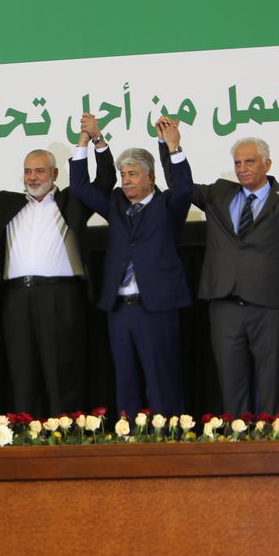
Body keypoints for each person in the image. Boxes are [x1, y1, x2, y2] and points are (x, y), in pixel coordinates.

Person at [166, 136, 279, 416]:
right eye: (237, 163)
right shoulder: (219, 193)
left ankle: (271, 450)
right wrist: (172, 148)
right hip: (225, 306)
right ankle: (238, 449)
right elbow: (181, 188)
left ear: (267, 164)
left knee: (272, 387)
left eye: (249, 161)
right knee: (231, 388)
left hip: (270, 307)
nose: (242, 168)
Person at [0, 122, 115, 416]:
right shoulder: (7, 203)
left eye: (39, 171)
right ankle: (25, 437)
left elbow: (104, 181)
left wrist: (96, 140)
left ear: (54, 174)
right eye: (28, 171)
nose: (32, 177)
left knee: (60, 372)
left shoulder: (72, 200)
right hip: (15, 299)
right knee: (21, 371)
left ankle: (65, 436)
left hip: (60, 297)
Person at [68, 116, 191, 416]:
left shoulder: (168, 206)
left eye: (133, 174)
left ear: (150, 178)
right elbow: (80, 186)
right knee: (125, 381)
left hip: (157, 308)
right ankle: (130, 439)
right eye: (123, 175)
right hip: (120, 308)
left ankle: (167, 439)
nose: (126, 181)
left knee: (161, 380)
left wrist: (172, 146)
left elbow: (184, 187)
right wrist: (89, 140)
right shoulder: (115, 204)